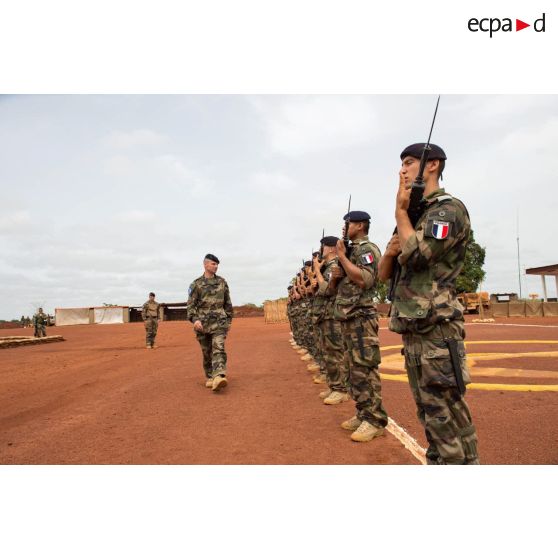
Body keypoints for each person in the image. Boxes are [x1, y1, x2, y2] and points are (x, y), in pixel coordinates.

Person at [378, 142, 479, 465]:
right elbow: (386, 273)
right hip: (416, 327)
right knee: (429, 410)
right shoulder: (417, 215)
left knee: (444, 409)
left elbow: (419, 254)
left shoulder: (446, 210)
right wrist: (402, 225)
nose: (402, 170)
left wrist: (399, 213)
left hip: (437, 327)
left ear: (432, 165)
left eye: (409, 162)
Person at [331, 212, 388, 442]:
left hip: (362, 318)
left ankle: (375, 420)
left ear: (360, 225)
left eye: (348, 224)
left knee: (366, 369)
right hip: (348, 318)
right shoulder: (351, 251)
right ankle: (363, 412)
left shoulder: (367, 250)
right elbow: (338, 290)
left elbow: (366, 279)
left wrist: (342, 259)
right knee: (354, 371)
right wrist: (336, 275)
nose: (344, 228)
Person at [312, 236, 350, 404]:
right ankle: (335, 386)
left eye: (324, 247)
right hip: (326, 315)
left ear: (332, 249)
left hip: (333, 315)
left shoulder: (333, 267)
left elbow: (326, 290)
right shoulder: (328, 266)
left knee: (336, 353)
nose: (322, 250)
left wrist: (317, 271)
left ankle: (341, 389)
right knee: (329, 353)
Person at [187, 254, 233, 392]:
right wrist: (195, 320)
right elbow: (191, 306)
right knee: (207, 351)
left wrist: (228, 320)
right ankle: (210, 376)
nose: (216, 266)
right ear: (205, 265)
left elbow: (228, 303)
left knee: (218, 347)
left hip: (219, 322)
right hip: (202, 324)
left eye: (217, 264)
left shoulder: (222, 282)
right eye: (213, 264)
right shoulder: (196, 284)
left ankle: (219, 375)